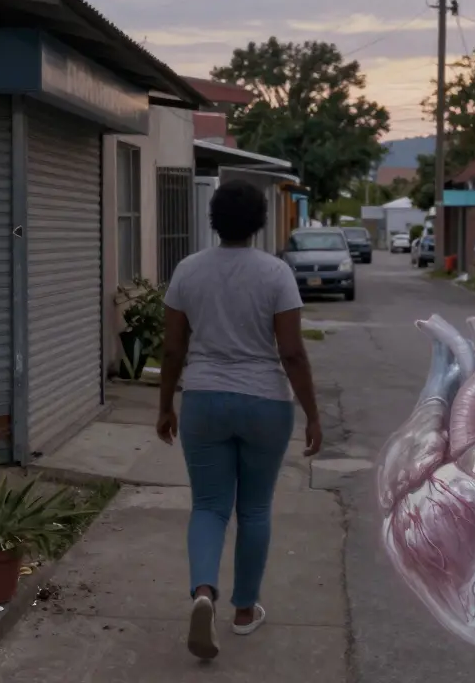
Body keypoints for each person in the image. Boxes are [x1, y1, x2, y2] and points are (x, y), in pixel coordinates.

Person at [155, 179, 325, 660]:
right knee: (254, 510)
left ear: (213, 218)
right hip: (265, 403)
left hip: (204, 399)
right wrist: (312, 414)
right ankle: (245, 610)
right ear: (258, 222)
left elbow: (172, 349)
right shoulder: (276, 274)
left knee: (209, 506)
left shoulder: (188, 271)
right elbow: (291, 352)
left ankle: (203, 593)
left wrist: (165, 404)